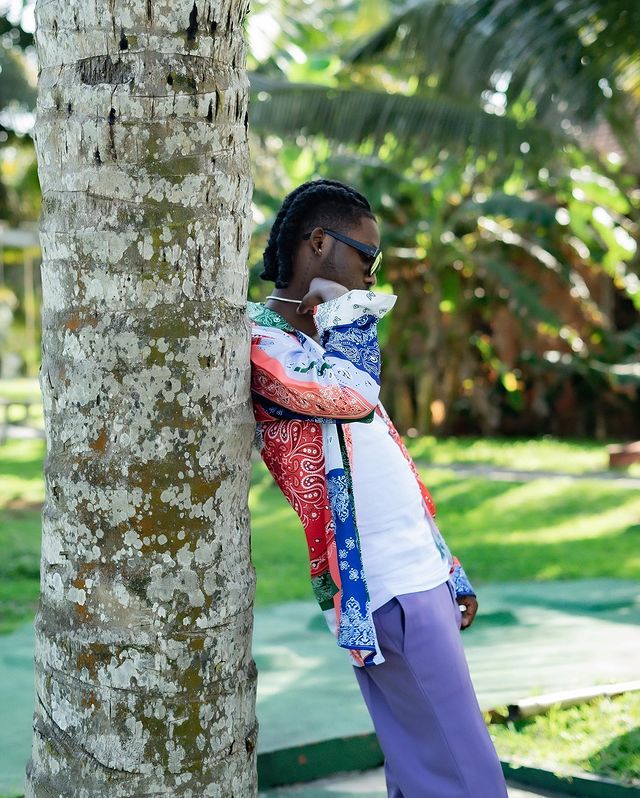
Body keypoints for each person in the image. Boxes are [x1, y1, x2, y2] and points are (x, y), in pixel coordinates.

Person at [247, 178, 508, 797]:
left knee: (426, 766)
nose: (372, 273)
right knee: (464, 774)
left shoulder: (326, 337)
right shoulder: (262, 341)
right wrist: (341, 306)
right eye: (367, 255)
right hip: (383, 585)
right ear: (318, 243)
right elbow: (356, 396)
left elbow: (385, 462)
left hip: (419, 576)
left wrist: (448, 566)